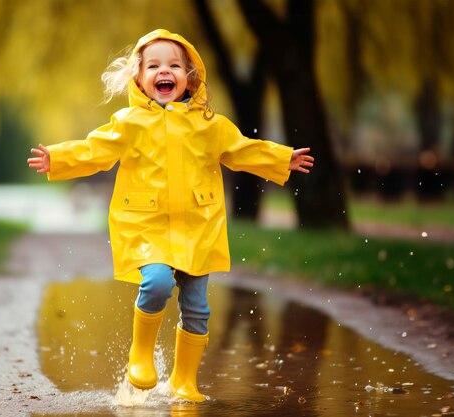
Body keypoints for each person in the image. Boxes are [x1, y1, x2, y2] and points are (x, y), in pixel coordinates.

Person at [27, 29, 313, 402]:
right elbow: (95, 150)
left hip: (197, 225)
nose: (166, 71)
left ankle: (184, 380)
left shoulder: (210, 124)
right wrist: (59, 158)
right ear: (140, 78)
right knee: (158, 283)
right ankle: (141, 354)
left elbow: (241, 149)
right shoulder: (130, 122)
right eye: (155, 66)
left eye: (175, 65)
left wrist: (280, 158)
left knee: (197, 308)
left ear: (191, 77)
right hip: (146, 226)